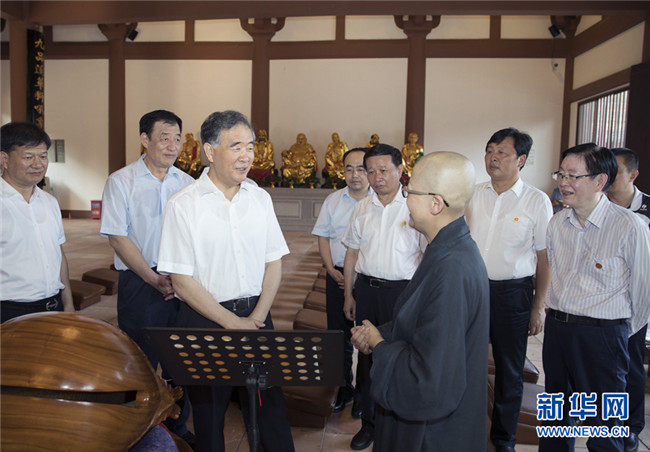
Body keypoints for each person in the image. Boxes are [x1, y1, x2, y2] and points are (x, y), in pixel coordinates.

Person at [157, 110, 295, 452]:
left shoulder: (259, 198)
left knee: (270, 414)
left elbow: (274, 262)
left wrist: (257, 317)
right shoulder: (183, 205)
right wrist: (233, 323)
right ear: (209, 150)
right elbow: (181, 280)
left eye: (250, 147)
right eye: (236, 147)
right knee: (209, 419)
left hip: (257, 317)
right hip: (205, 321)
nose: (246, 156)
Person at [351, 151, 489, 451]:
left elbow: (427, 377)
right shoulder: (447, 249)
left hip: (433, 433)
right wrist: (380, 333)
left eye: (409, 191)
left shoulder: (452, 268)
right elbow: (421, 325)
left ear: (435, 203)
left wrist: (379, 345)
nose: (405, 199)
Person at [540, 143, 650, 452]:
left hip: (604, 336)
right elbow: (557, 273)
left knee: (604, 425)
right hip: (558, 331)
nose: (563, 182)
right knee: (555, 415)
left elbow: (643, 292)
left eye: (573, 175)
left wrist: (617, 334)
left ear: (600, 180)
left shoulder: (629, 226)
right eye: (561, 174)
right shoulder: (557, 223)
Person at [100, 110, 195, 443]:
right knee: (137, 361)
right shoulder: (121, 181)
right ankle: (135, 430)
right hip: (139, 283)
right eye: (164, 138)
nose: (173, 146)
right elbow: (118, 237)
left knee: (180, 359)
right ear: (145, 139)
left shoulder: (187, 184)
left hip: (180, 283)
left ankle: (178, 428)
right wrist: (153, 279)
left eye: (177, 139)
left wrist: (178, 279)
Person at [465, 128, 552, 452]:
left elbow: (544, 259)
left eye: (502, 152)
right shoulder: (473, 194)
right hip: (472, 290)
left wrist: (538, 306)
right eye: (490, 150)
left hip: (513, 294)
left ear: (521, 159)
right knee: (466, 361)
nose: (493, 157)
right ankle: (464, 428)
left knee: (509, 368)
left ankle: (503, 438)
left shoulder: (536, 201)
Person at [342, 143, 425, 450]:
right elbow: (351, 254)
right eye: (371, 171)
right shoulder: (362, 207)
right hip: (367, 291)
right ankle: (369, 424)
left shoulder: (415, 207)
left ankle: (398, 423)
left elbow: (426, 257)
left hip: (403, 294)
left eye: (384, 170)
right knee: (366, 358)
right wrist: (349, 295)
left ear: (400, 171)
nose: (377, 177)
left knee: (400, 357)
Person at [312, 147, 371, 416]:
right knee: (338, 337)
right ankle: (344, 388)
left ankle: (364, 395)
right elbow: (323, 237)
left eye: (361, 168)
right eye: (349, 169)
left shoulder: (379, 202)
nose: (355, 174)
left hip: (367, 279)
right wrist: (329, 268)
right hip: (336, 276)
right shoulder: (333, 201)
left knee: (368, 337)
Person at [1, 122, 74, 322]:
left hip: (54, 306)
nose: (38, 164)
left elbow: (58, 255)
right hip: (9, 311)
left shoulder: (49, 202)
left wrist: (68, 303)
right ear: (4, 159)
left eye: (42, 156)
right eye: (28, 157)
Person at [606, 147, 650, 452]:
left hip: (635, 302)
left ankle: (631, 426)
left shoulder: (646, 209)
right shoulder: (597, 205)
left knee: (630, 365)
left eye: (616, 171)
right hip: (599, 302)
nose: (607, 177)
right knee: (599, 366)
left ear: (633, 175)